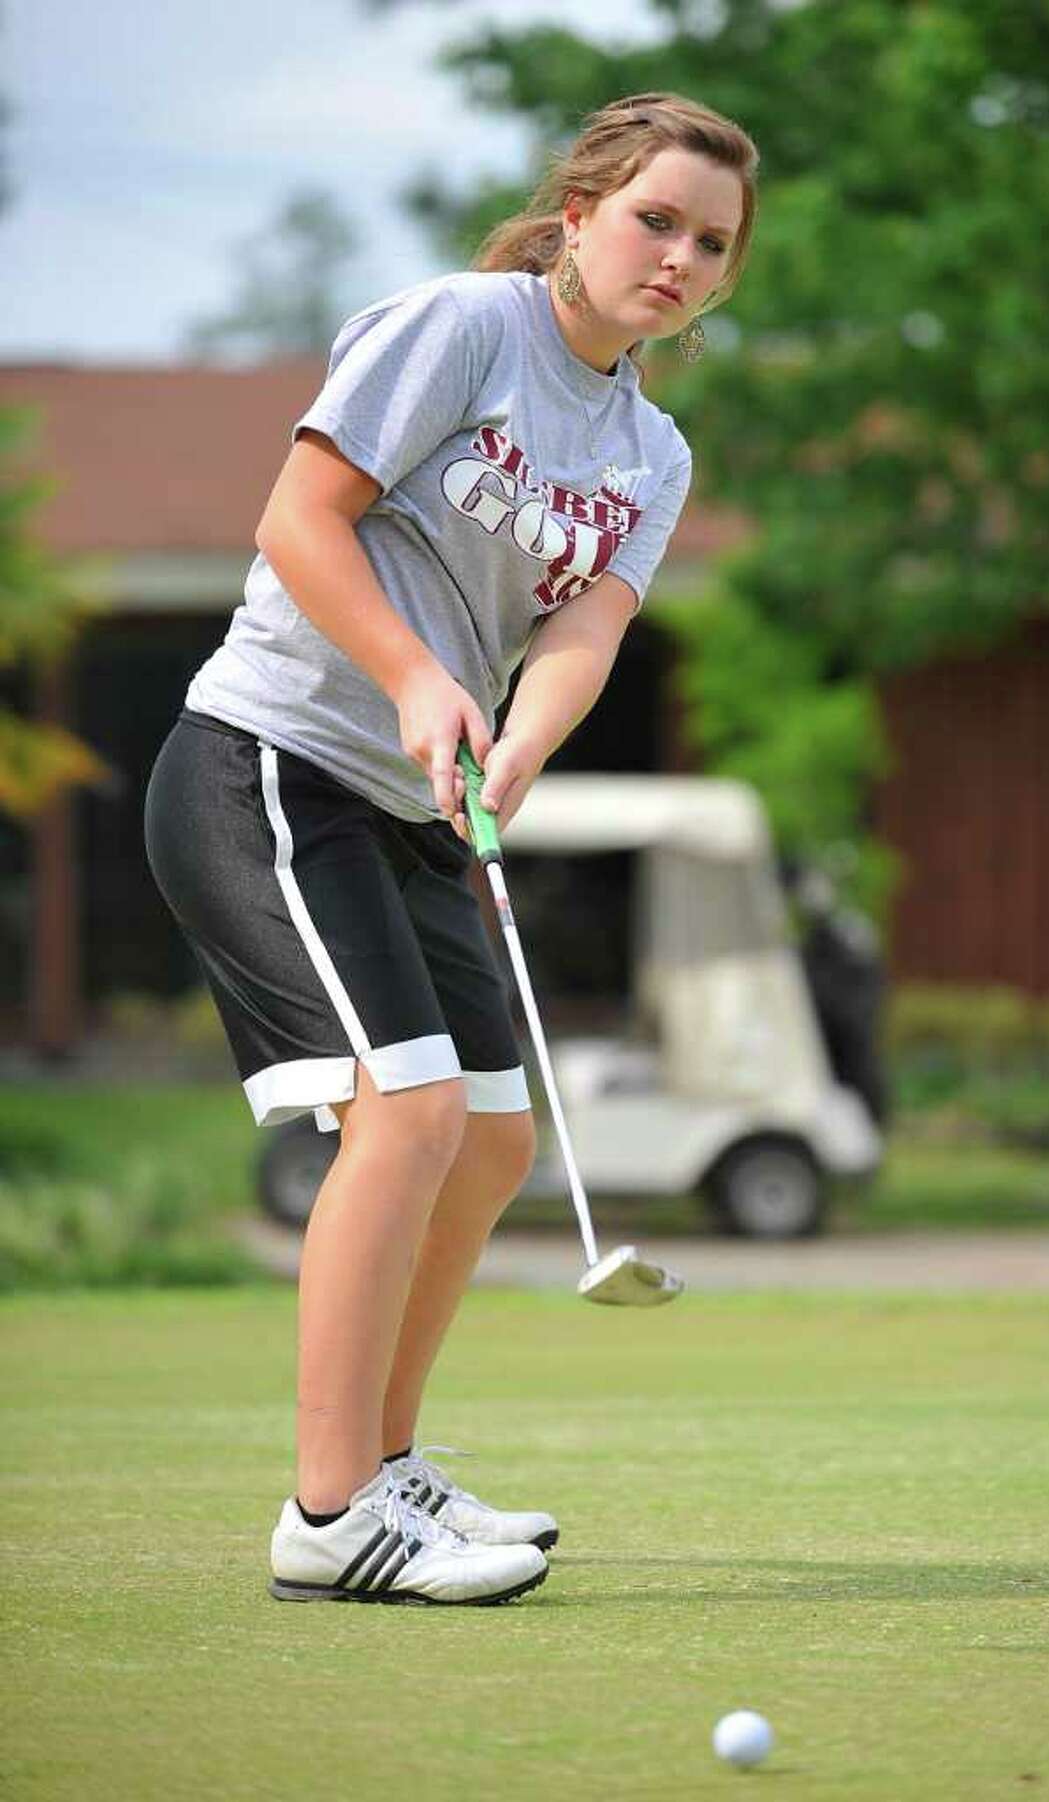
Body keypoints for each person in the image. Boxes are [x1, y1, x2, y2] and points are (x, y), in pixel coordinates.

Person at [145, 92, 759, 1607]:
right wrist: (423, 678)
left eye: (712, 243)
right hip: (266, 764)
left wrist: (528, 736)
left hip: (415, 812)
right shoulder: (465, 329)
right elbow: (303, 519)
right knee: (406, 1112)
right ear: (579, 215)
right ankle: (330, 1507)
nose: (678, 257)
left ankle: (392, 1469)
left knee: (490, 1139)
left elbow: (587, 628)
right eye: (655, 220)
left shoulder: (653, 453)